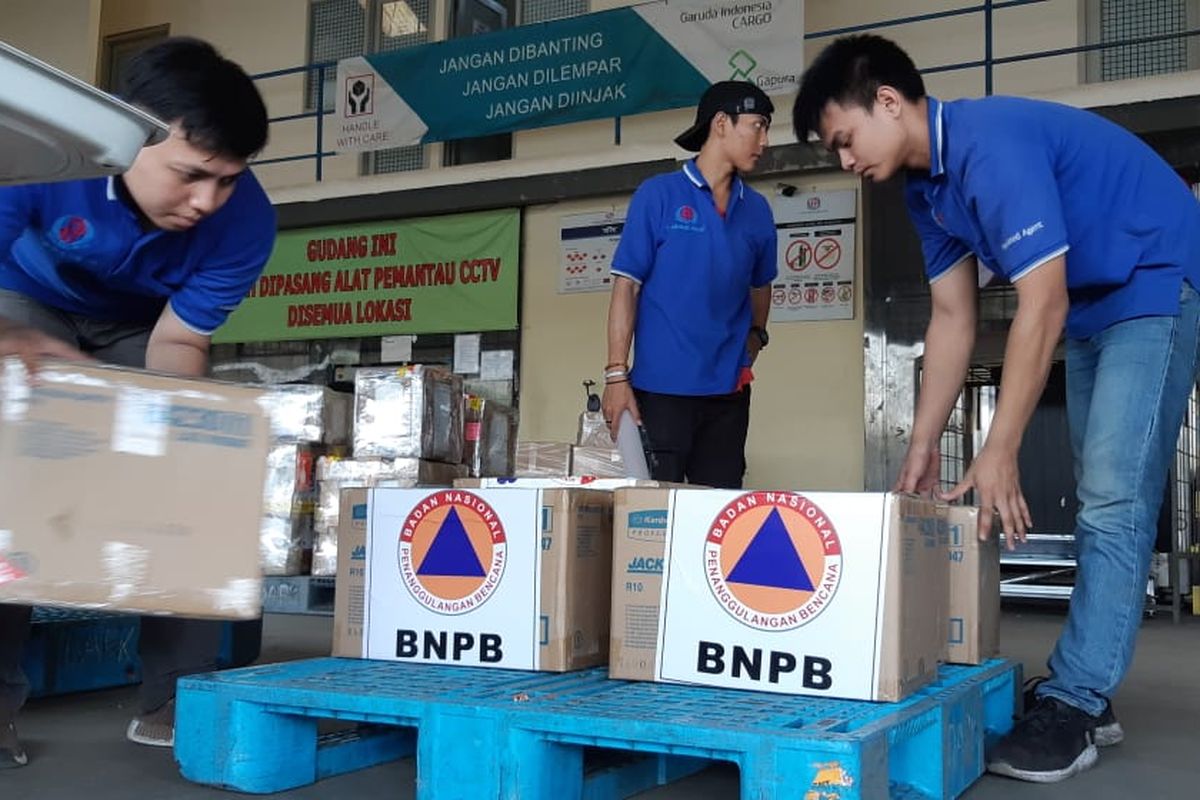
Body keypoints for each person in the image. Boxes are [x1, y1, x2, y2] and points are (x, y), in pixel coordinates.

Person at [794, 33, 1200, 783]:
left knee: (1114, 496)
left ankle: (1077, 703)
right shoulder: (923, 190)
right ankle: (1091, 684)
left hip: (1154, 277)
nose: (845, 161)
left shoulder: (988, 143)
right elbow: (952, 317)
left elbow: (1038, 298)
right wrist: (921, 444)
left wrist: (1000, 443)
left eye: (845, 140)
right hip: (1091, 305)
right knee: (1100, 499)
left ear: (888, 100)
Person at [0, 36, 275, 768]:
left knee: (183, 494)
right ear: (128, 131)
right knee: (13, 496)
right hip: (23, 307)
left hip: (143, 329)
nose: (206, 202)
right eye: (191, 175)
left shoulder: (246, 223)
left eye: (226, 181)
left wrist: (174, 438)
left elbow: (179, 343)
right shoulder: (38, 161)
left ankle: (174, 702)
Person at [601, 81, 778, 488]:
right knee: (652, 518)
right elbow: (625, 286)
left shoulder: (758, 211)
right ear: (721, 124)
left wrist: (755, 339)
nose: (765, 141)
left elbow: (761, 284)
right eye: (758, 125)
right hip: (659, 395)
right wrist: (615, 376)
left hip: (728, 397)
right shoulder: (658, 195)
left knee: (716, 517)